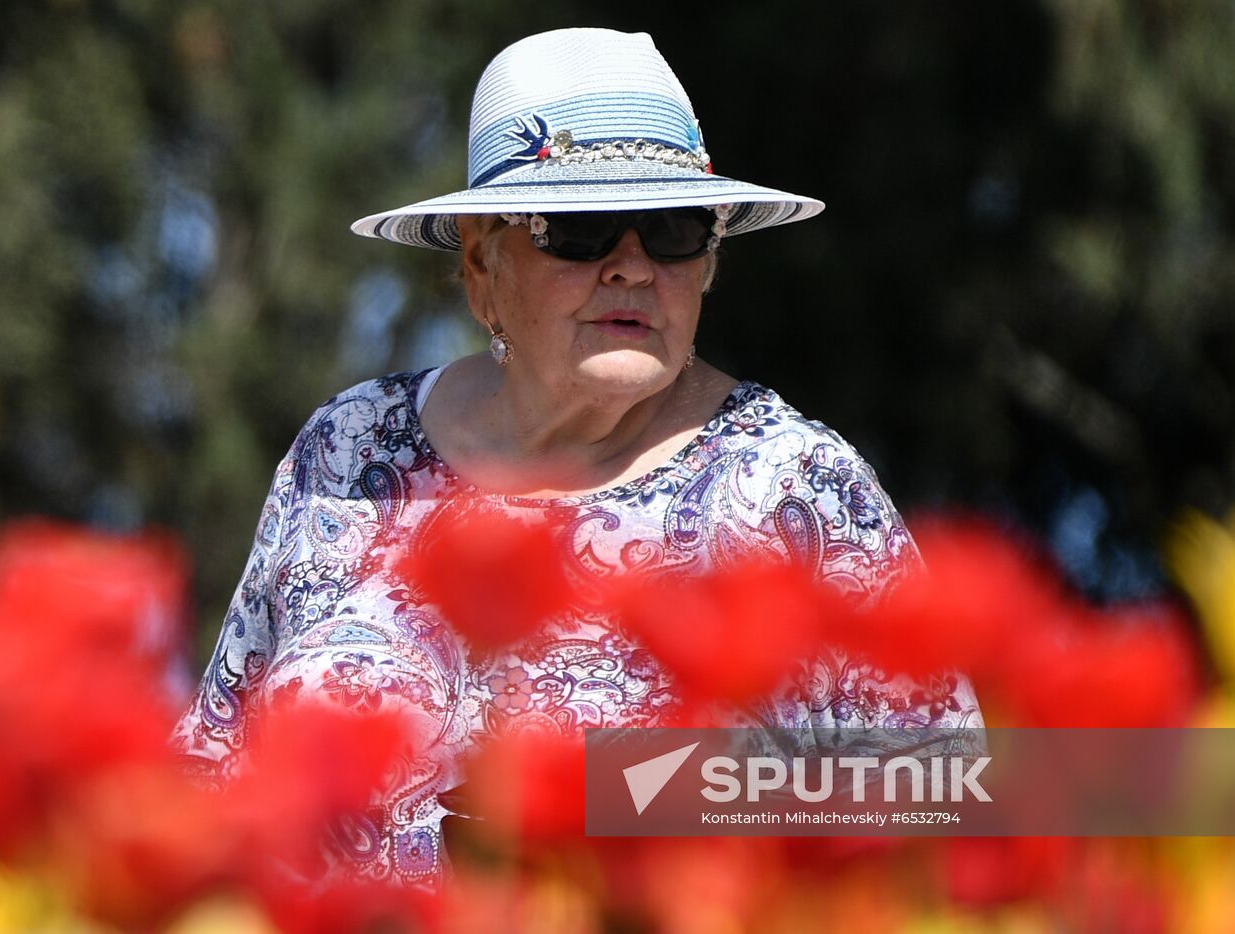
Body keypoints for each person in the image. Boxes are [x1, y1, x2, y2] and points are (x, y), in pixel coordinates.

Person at [174, 28, 983, 887]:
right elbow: (214, 770)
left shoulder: (796, 488)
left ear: (708, 264)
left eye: (674, 230)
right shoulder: (348, 449)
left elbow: (957, 795)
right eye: (582, 230)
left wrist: (608, 796)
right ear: (481, 262)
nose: (632, 268)